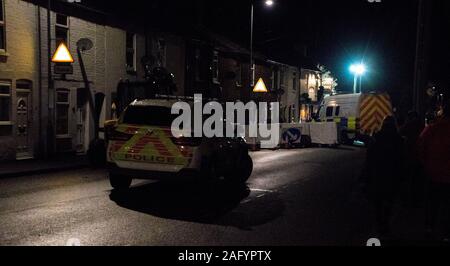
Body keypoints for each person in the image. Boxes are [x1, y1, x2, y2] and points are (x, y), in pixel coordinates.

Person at [365, 116, 404, 236]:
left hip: (378, 174)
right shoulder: (399, 139)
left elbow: (369, 158)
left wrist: (367, 175)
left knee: (378, 202)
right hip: (392, 175)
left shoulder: (376, 138)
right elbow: (402, 159)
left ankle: (379, 224)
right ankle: (385, 224)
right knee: (389, 201)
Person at [418, 97, 450, 239]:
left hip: (433, 174)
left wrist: (425, 166)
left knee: (432, 203)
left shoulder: (431, 129)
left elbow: (420, 148)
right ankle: (446, 233)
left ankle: (429, 229)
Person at [399, 111, 425, 207]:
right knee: (417, 179)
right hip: (420, 157)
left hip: (410, 155)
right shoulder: (422, 125)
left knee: (408, 178)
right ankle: (417, 198)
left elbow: (400, 131)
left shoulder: (409, 125)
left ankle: (408, 200)